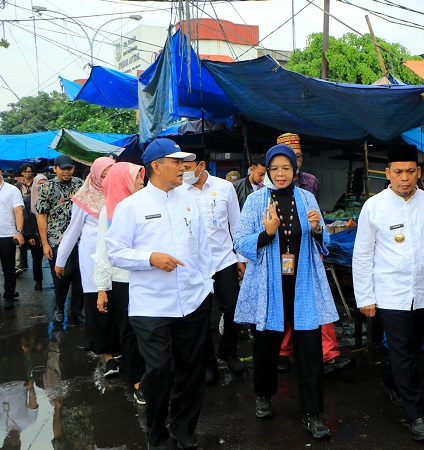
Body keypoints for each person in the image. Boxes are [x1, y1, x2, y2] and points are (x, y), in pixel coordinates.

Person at [105, 139, 213, 450]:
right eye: (176, 162)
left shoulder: (192, 201)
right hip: (151, 305)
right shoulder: (131, 207)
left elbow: (203, 246)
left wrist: (207, 284)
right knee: (161, 368)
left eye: (184, 162)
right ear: (156, 166)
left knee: (192, 371)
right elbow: (115, 252)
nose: (183, 167)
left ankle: (183, 429)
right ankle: (157, 434)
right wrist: (149, 258)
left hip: (193, 300)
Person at [352, 146, 424, 442]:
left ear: (418, 172)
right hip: (390, 293)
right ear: (388, 173)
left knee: (409, 350)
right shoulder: (374, 206)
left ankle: (391, 381)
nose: (405, 178)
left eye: (410, 171)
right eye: (398, 172)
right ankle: (417, 416)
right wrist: (365, 297)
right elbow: (362, 255)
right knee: (403, 351)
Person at [234, 144, 338, 440]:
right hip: (269, 284)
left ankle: (313, 413)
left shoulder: (307, 198)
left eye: (287, 168)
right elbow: (240, 243)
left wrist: (318, 229)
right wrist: (267, 233)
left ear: (296, 171)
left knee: (309, 348)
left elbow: (324, 240)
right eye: (275, 169)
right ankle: (264, 395)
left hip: (303, 282)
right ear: (267, 171)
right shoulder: (255, 202)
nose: (281, 174)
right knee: (266, 344)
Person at [274, 132, 353, 375]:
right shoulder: (265, 189)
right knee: (284, 302)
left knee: (319, 302)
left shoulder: (310, 183)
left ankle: (329, 353)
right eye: (286, 160)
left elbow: (314, 218)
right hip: (279, 255)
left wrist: (317, 234)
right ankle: (282, 352)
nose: (293, 163)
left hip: (308, 253)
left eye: (297, 157)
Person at [180, 154, 247, 383]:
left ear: (201, 166)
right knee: (201, 315)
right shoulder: (179, 191)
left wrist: (241, 258)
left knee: (232, 309)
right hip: (195, 264)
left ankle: (228, 351)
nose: (183, 171)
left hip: (223, 259)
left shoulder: (224, 187)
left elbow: (236, 224)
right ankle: (208, 363)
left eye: (187, 167)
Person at [55, 156, 118, 372]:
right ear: (95, 175)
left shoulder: (121, 193)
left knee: (117, 299)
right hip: (92, 254)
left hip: (117, 256)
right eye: (104, 174)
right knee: (97, 300)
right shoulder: (84, 198)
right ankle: (105, 350)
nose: (107, 178)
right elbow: (72, 231)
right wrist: (60, 260)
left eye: (111, 173)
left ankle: (118, 344)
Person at [94, 162, 148, 405]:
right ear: (123, 181)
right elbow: (102, 252)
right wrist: (102, 290)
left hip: (148, 275)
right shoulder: (109, 211)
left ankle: (153, 374)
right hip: (122, 280)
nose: (141, 183)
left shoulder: (147, 204)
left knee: (151, 327)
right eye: (137, 179)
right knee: (128, 330)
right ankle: (137, 380)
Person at [35, 154, 84, 323]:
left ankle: (76, 312)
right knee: (64, 272)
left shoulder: (80, 184)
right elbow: (41, 216)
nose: (66, 171)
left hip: (79, 238)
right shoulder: (46, 187)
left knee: (80, 274)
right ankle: (59, 306)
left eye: (69, 168)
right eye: (63, 168)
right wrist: (45, 244)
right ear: (55, 169)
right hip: (56, 239)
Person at [0, 174, 24, 310]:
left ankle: (9, 296)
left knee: (8, 268)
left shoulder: (12, 190)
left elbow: (18, 212)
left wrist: (19, 231)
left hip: (7, 235)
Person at [23, 175, 47, 291]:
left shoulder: (51, 196)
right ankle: (38, 281)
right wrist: (29, 235)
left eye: (44, 183)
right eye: (39, 183)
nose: (41, 186)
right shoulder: (28, 200)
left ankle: (59, 283)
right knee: (37, 260)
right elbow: (26, 219)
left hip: (50, 235)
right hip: (35, 235)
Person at [14, 163, 35, 271]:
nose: (27, 174)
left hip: (34, 215)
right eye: (25, 172)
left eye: (29, 171)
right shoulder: (18, 186)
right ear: (22, 173)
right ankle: (23, 262)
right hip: (21, 214)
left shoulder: (36, 184)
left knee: (34, 240)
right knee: (21, 238)